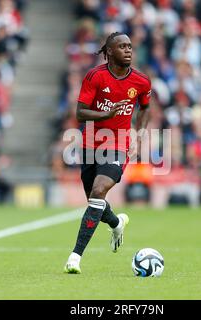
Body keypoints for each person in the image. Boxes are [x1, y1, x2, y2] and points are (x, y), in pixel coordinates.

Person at [64, 32, 151, 274]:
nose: (128, 50)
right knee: (94, 199)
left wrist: (139, 132)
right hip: (91, 142)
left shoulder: (142, 81)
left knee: (99, 190)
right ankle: (116, 223)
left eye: (130, 46)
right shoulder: (95, 76)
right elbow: (81, 113)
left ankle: (75, 257)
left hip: (118, 143)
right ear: (110, 51)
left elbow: (145, 108)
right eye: (122, 46)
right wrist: (106, 114)